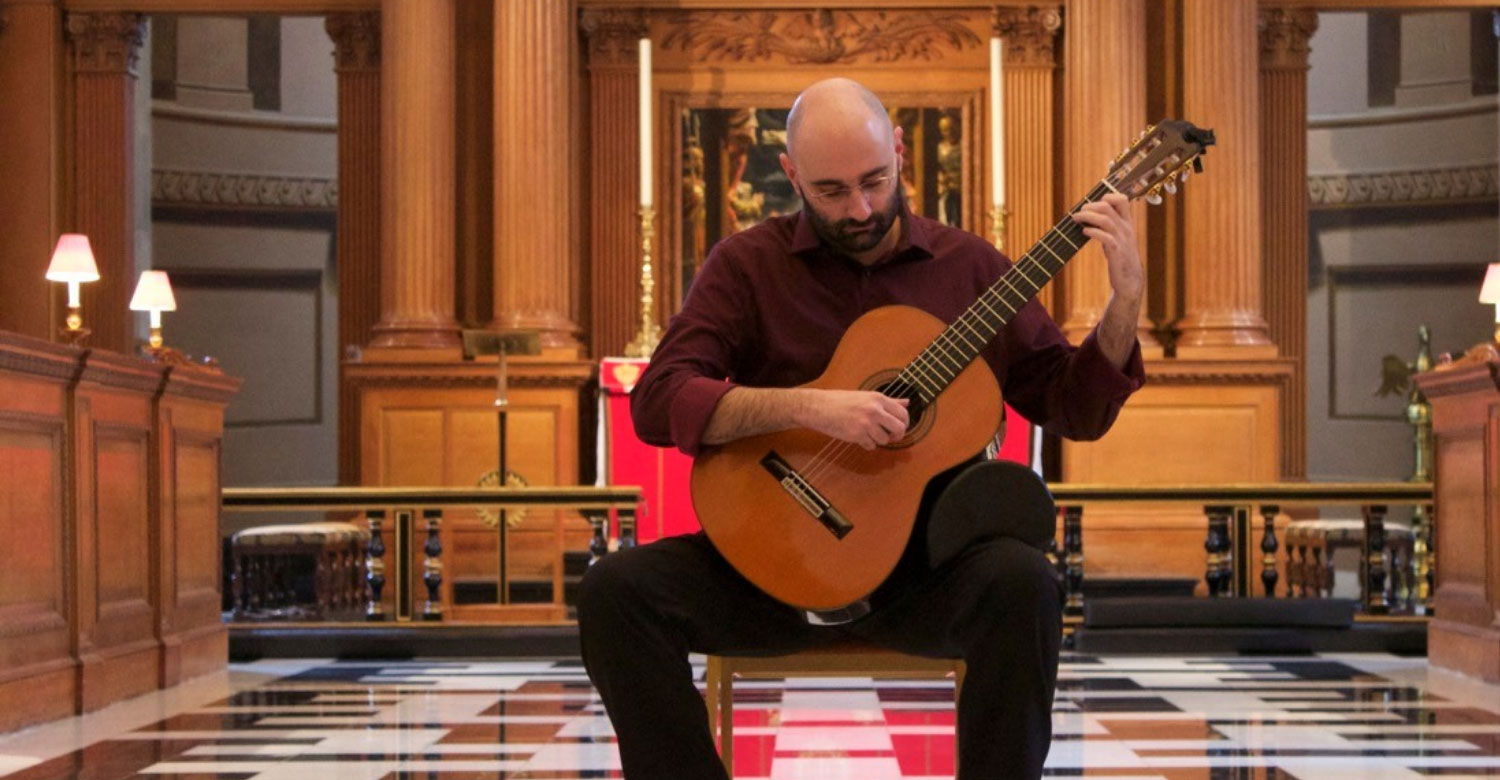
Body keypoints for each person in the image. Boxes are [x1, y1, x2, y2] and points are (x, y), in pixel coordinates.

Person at [577, 77, 1146, 780]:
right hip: (768, 567)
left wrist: (1124, 305)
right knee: (614, 591)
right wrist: (808, 407)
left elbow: (1074, 409)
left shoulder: (969, 269)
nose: (862, 207)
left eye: (875, 180)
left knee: (1025, 582)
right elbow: (659, 399)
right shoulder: (748, 267)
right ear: (790, 176)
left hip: (920, 576)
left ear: (900, 150)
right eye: (832, 191)